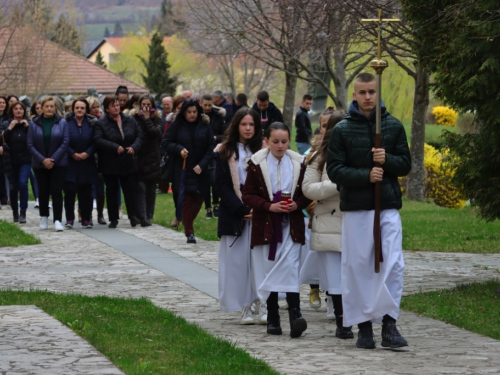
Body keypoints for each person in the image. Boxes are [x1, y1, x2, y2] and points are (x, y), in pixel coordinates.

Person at [327, 72, 411, 349]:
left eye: (371, 92)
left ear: (378, 92)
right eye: (362, 92)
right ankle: (364, 327)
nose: (367, 97)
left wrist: (387, 160)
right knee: (358, 266)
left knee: (393, 263)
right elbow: (335, 169)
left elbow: (405, 164)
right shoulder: (341, 129)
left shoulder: (393, 126)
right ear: (354, 94)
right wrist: (366, 175)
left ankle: (389, 323)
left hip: (386, 205)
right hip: (357, 208)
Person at [242, 122, 311, 338]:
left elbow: (306, 192)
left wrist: (297, 205)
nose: (280, 146)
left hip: (291, 225)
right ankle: (273, 316)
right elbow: (248, 195)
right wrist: (268, 206)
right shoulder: (256, 163)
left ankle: (295, 314)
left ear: (289, 140)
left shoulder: (299, 163)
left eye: (284, 141)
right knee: (269, 268)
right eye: (275, 142)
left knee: (290, 266)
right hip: (266, 226)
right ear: (266, 141)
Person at [302, 110, 354, 339]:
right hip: (329, 220)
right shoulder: (318, 158)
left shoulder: (358, 154)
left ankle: (356, 316)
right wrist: (336, 185)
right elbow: (308, 189)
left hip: (354, 220)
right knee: (335, 277)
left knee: (353, 273)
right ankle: (342, 321)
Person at [215, 107, 263, 325]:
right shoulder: (225, 151)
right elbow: (222, 185)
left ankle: (261, 302)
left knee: (259, 262)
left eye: (252, 124)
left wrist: (258, 206)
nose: (248, 128)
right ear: (236, 126)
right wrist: (241, 208)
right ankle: (244, 306)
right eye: (244, 124)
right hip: (236, 213)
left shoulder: (264, 150)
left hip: (260, 212)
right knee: (238, 263)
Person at [162, 99, 214, 244]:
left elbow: (211, 147)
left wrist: (203, 164)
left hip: (200, 170)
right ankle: (189, 232)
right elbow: (166, 142)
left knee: (198, 198)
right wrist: (179, 150)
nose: (192, 115)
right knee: (185, 199)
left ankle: (186, 221)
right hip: (182, 168)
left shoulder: (205, 126)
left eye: (194, 112)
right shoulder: (176, 125)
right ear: (184, 112)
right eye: (189, 112)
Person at [94, 95, 142, 228]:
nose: (116, 107)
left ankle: (133, 216)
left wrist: (134, 147)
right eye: (113, 106)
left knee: (130, 190)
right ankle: (113, 218)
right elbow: (98, 140)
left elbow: (139, 135)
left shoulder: (129, 119)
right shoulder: (101, 123)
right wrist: (114, 147)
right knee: (112, 191)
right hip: (110, 162)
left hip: (128, 160)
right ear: (107, 109)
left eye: (117, 105)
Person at [27, 96, 69, 232]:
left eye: (52, 106)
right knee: (43, 191)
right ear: (42, 108)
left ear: (55, 108)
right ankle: (44, 216)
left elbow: (65, 142)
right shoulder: (34, 123)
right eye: (47, 106)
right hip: (40, 164)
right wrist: (43, 160)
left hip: (59, 163)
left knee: (56, 191)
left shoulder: (62, 123)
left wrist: (53, 159)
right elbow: (30, 144)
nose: (50, 108)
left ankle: (57, 220)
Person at [64, 98, 98, 229]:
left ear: (86, 110)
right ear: (73, 109)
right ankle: (69, 218)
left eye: (82, 108)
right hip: (70, 161)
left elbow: (96, 141)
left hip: (87, 162)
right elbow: (64, 140)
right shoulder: (66, 123)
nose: (79, 110)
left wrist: (87, 153)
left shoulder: (92, 123)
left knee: (86, 192)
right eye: (77, 108)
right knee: (70, 191)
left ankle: (86, 218)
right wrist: (72, 153)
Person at [132, 94, 162, 226]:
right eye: (143, 104)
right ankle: (142, 216)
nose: (146, 107)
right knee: (140, 188)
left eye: (148, 104)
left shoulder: (157, 119)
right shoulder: (134, 118)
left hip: (153, 157)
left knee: (151, 189)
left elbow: (155, 133)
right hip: (139, 156)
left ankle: (149, 215)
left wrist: (147, 119)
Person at [0, 102, 31, 223]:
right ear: (12, 111)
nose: (18, 111)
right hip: (11, 160)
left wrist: (28, 127)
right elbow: (1, 138)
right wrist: (10, 128)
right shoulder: (6, 124)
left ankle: (23, 211)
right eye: (16, 109)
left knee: (23, 184)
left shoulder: (29, 124)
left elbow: (35, 139)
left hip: (26, 160)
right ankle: (15, 212)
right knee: (13, 187)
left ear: (24, 111)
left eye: (21, 109)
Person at [201, 94, 226, 219]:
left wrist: (216, 137)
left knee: (214, 178)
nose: (207, 107)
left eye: (209, 105)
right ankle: (208, 208)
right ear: (201, 104)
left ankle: (216, 204)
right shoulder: (198, 115)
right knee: (205, 181)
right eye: (205, 105)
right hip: (202, 151)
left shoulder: (218, 116)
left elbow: (225, 135)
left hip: (216, 152)